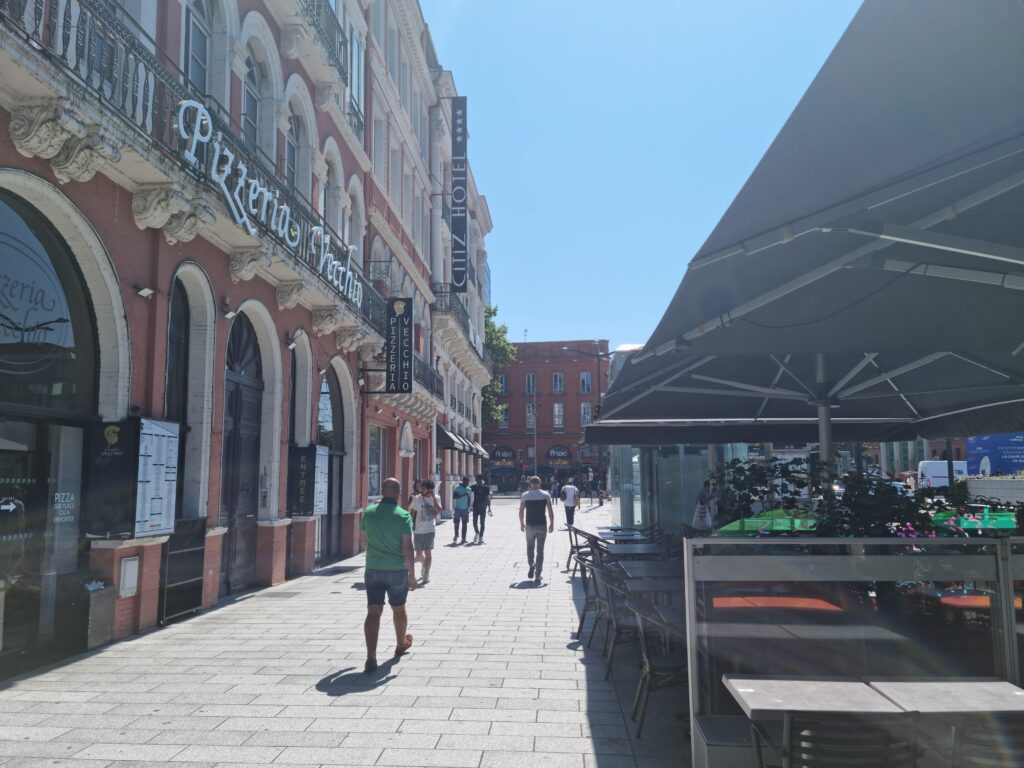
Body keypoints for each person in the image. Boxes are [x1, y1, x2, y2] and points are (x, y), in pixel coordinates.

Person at [359, 477, 416, 673]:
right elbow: (407, 548)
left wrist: (377, 550)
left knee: (373, 612)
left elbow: (363, 542)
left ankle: (371, 657)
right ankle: (400, 645)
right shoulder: (403, 516)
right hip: (396, 570)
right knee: (398, 609)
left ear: (382, 491)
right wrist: (412, 575)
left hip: (373, 568)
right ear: (398, 493)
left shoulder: (369, 513)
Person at [518, 475, 554, 585]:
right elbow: (550, 511)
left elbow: (521, 511)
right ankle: (538, 575)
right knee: (540, 550)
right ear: (539, 484)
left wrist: (522, 523)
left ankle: (531, 565)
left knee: (529, 547)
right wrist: (552, 523)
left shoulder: (525, 495)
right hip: (542, 525)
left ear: (530, 484)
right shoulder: (545, 495)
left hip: (529, 525)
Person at [412, 480, 441, 582]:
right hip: (418, 530)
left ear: (429, 489)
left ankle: (426, 574)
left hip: (430, 529)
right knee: (419, 555)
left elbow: (439, 510)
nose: (421, 489)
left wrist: (433, 497)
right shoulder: (417, 498)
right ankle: (424, 564)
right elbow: (412, 512)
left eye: (423, 488)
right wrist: (410, 524)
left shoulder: (436, 498)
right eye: (421, 487)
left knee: (428, 552)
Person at [470, 475, 492, 544]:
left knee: (482, 523)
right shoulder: (473, 487)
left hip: (483, 508)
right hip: (475, 507)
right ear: (476, 480)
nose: (479, 481)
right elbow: (468, 491)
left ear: (482, 480)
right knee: (474, 522)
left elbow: (488, 498)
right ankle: (477, 532)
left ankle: (481, 537)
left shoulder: (486, 488)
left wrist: (489, 508)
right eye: (478, 480)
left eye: (480, 480)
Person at [452, 477, 472, 543]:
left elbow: (469, 500)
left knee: (464, 524)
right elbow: (454, 497)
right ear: (463, 481)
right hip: (458, 508)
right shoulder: (457, 488)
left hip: (465, 509)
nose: (466, 483)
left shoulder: (469, 489)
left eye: (467, 482)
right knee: (456, 523)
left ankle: (463, 538)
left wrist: (469, 509)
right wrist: (463, 495)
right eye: (465, 482)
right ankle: (456, 535)